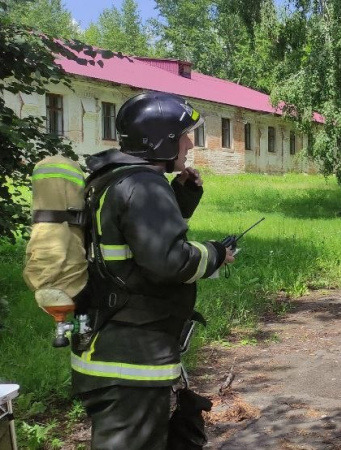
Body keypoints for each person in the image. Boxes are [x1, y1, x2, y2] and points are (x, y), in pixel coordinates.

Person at [70, 92, 235, 449]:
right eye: (184, 135)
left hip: (106, 350)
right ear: (161, 139)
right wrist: (216, 253)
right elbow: (168, 263)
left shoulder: (110, 179)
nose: (190, 143)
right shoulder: (144, 184)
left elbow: (132, 244)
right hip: (130, 362)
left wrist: (181, 198)